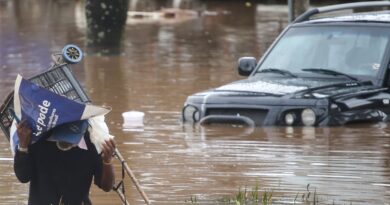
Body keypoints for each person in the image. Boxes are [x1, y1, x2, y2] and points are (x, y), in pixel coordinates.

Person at [14, 119, 116, 205]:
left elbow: (107, 186)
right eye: (63, 136)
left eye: (72, 138)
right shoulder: (39, 137)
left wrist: (107, 161)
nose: (67, 141)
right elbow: (23, 177)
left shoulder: (93, 143)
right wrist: (23, 146)